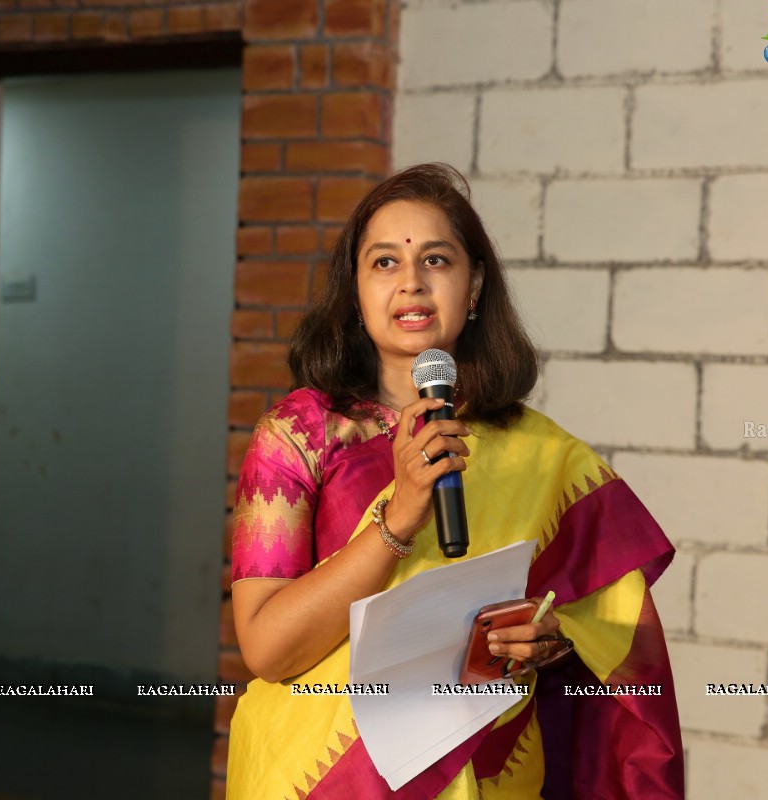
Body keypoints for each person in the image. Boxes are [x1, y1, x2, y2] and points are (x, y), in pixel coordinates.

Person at [227, 163, 684, 799]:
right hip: (322, 776)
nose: (411, 281)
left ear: (473, 289)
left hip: (491, 771)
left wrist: (553, 642)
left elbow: (609, 649)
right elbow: (267, 649)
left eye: (436, 260)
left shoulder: (541, 454)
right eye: (384, 263)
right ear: (354, 293)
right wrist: (399, 517)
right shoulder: (297, 436)